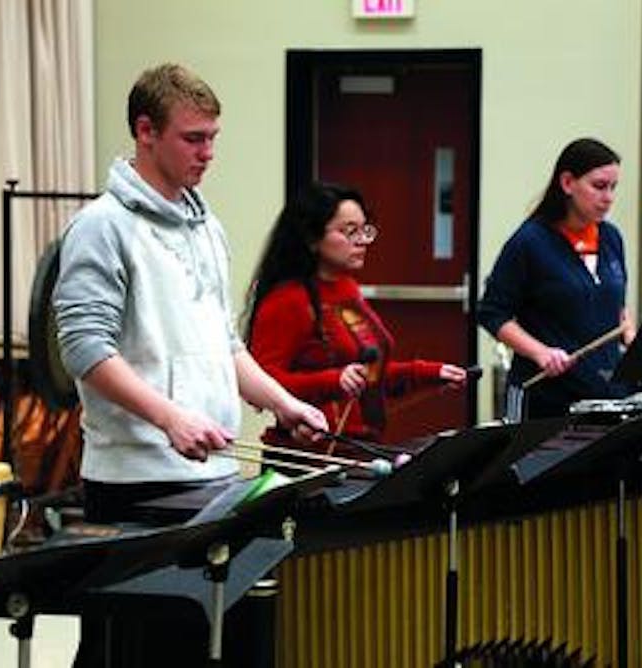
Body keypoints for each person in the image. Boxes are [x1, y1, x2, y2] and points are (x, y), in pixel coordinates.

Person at [53, 63, 327, 666]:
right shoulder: (103, 227)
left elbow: (224, 344)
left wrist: (283, 401)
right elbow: (84, 348)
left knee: (202, 644)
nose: (208, 153)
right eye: (193, 138)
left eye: (213, 138)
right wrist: (170, 418)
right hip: (136, 483)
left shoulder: (208, 228)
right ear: (145, 131)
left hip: (209, 478)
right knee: (130, 651)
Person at [242, 181, 468, 455]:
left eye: (364, 229)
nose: (361, 240)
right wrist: (332, 380)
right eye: (349, 231)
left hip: (360, 450)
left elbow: (368, 374)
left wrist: (429, 373)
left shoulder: (347, 288)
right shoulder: (288, 300)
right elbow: (261, 380)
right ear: (312, 238)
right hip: (308, 457)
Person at [477, 137, 636, 419]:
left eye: (613, 187)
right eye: (599, 186)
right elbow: (492, 312)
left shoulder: (612, 238)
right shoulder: (530, 242)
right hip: (547, 399)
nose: (609, 197)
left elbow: (617, 307)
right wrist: (540, 352)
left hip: (605, 395)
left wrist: (631, 335)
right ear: (567, 183)